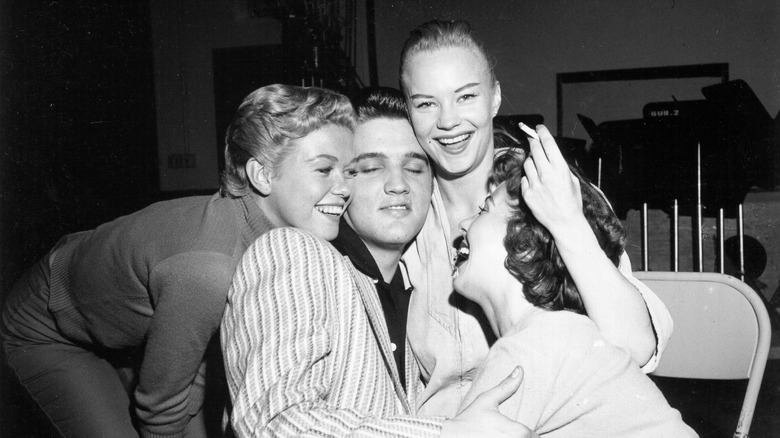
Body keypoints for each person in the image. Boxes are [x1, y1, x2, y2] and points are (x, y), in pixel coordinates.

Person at [1, 84, 356, 438]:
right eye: (324, 170)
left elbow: (199, 359)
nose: (345, 188)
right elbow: (159, 407)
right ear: (262, 175)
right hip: (48, 330)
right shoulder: (208, 269)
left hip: (122, 326)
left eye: (351, 171)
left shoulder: (273, 240)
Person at [221, 87, 535, 438]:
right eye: (369, 168)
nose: (398, 184)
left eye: (415, 168)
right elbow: (273, 421)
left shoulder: (418, 292)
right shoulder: (295, 251)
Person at [398, 19, 674, 416]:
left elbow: (635, 348)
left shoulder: (553, 190)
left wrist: (568, 224)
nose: (447, 121)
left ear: (494, 99)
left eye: (465, 97)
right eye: (426, 103)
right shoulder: (401, 210)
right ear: (408, 111)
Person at [453, 152, 697, 436]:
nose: (463, 224)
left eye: (484, 210)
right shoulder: (563, 332)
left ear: (526, 244)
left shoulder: (528, 348)